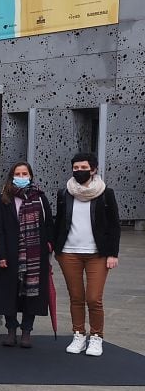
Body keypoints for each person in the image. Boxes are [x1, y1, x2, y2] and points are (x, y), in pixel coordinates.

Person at [54, 152, 120, 357]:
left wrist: (112, 253)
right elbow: (60, 223)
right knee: (76, 297)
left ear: (93, 169)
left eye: (84, 168)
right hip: (69, 252)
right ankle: (78, 334)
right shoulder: (64, 193)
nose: (79, 171)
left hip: (97, 254)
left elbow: (114, 225)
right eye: (76, 168)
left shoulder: (105, 193)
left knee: (93, 298)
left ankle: (96, 337)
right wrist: (56, 250)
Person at [0, 162, 54, 348]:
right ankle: (11, 330)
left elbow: (49, 224)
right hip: (10, 254)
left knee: (31, 294)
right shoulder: (3, 199)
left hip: (35, 256)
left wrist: (49, 247)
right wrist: (0, 254)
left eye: (24, 173)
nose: (21, 176)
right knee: (8, 293)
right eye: (17, 173)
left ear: (30, 176)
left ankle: (27, 331)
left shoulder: (40, 198)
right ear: (11, 176)